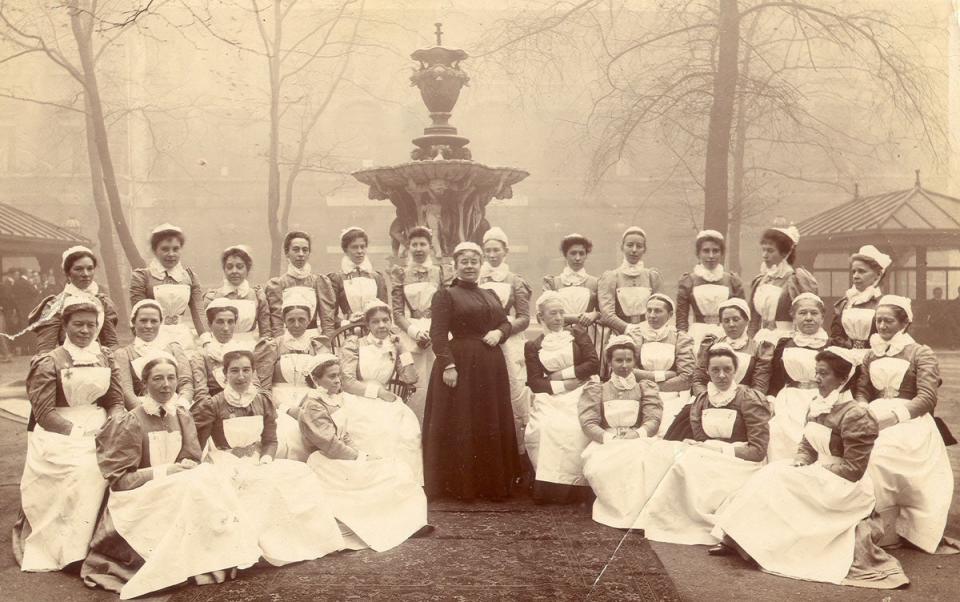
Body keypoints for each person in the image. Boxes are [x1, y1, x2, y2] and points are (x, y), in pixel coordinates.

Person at [713, 347, 909, 589]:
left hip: (846, 487)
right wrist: (800, 462)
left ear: (842, 379)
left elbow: (854, 469)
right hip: (819, 473)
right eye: (817, 372)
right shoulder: (817, 405)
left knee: (778, 479)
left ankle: (758, 545)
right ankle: (740, 540)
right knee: (773, 472)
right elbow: (807, 444)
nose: (817, 378)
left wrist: (813, 473)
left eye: (824, 374)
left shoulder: (857, 415)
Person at [80, 356, 262, 599]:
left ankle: (214, 557)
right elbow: (121, 481)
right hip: (138, 496)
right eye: (158, 379)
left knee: (208, 478)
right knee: (195, 487)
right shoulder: (129, 421)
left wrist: (187, 465)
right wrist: (167, 472)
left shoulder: (181, 416)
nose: (166, 385)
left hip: (174, 487)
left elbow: (192, 458)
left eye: (171, 378)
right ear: (144, 384)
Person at [190, 349, 345, 564]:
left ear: (254, 372)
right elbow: (196, 443)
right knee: (248, 485)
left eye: (246, 370)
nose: (241, 376)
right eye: (234, 371)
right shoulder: (213, 404)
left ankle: (309, 542)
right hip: (225, 461)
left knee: (299, 472)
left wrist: (266, 458)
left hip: (257, 459)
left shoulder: (262, 400)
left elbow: (271, 440)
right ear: (225, 374)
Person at [13, 299, 125, 572]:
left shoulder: (105, 357)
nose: (85, 331)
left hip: (101, 424)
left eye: (91, 325)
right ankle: (75, 549)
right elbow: (44, 414)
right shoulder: (49, 362)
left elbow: (116, 401)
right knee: (88, 470)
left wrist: (112, 423)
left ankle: (118, 543)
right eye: (78, 324)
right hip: (60, 432)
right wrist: (82, 433)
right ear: (64, 326)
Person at [633, 344, 770, 545]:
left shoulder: (748, 398)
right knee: (662, 452)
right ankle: (658, 517)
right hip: (709, 454)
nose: (722, 375)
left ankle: (688, 522)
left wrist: (719, 448)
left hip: (740, 460)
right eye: (715, 370)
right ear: (707, 371)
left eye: (727, 369)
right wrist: (698, 444)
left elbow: (758, 450)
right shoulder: (702, 399)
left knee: (687, 464)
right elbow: (701, 437)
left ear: (735, 370)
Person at [855, 295, 957, 553]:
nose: (882, 326)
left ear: (904, 323)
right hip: (874, 412)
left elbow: (926, 397)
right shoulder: (872, 353)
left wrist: (894, 416)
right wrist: (863, 408)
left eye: (888, 321)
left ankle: (898, 526)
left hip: (910, 419)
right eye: (878, 320)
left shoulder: (920, 352)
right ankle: (866, 524)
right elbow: (863, 390)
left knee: (880, 455)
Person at [300, 354, 428, 552]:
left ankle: (406, 522)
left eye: (338, 376)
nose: (337, 381)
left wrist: (362, 453)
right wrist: (360, 457)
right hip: (325, 461)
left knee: (396, 467)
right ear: (316, 380)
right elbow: (330, 444)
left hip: (342, 456)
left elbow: (345, 436)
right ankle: (385, 525)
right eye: (331, 377)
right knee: (382, 474)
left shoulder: (334, 399)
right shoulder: (313, 405)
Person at [422, 241, 519, 501]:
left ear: (480, 265)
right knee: (464, 420)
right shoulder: (446, 294)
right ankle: (461, 486)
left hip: (490, 368)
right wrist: (448, 366)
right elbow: (438, 334)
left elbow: (504, 322)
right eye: (463, 262)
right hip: (462, 365)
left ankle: (491, 485)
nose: (469, 266)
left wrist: (499, 332)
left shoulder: (490, 294)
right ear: (454, 266)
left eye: (473, 262)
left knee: (488, 419)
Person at [579, 335, 678, 528]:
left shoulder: (644, 387)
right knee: (604, 465)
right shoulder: (598, 389)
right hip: (607, 440)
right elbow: (588, 423)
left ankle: (640, 513)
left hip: (636, 438)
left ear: (635, 361)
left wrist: (638, 433)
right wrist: (608, 437)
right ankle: (618, 511)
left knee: (646, 462)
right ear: (609, 361)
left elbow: (653, 419)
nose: (624, 365)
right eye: (618, 360)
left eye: (629, 360)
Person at [523, 291, 599, 504]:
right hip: (552, 394)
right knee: (545, 428)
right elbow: (535, 381)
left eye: (561, 313)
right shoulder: (533, 345)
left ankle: (578, 489)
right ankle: (551, 488)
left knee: (576, 426)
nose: (558, 318)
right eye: (552, 313)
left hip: (582, 389)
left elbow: (593, 364)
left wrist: (564, 375)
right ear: (541, 318)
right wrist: (562, 384)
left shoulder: (578, 335)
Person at [338, 299, 423, 483]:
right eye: (375, 321)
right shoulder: (354, 344)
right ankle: (368, 480)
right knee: (372, 429)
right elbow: (347, 382)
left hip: (387, 399)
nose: (382, 325)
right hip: (357, 397)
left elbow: (411, 379)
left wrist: (402, 349)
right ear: (367, 324)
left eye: (385, 320)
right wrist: (378, 394)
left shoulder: (394, 345)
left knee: (405, 429)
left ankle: (397, 481)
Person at [479, 226, 533, 470]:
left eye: (496, 250)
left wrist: (503, 330)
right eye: (488, 250)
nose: (492, 255)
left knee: (514, 393)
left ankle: (519, 456)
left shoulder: (515, 280)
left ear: (505, 251)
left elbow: (524, 317)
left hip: (508, 340)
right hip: (482, 340)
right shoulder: (476, 279)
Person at [390, 226, 445, 423]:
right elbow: (397, 312)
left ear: (430, 247)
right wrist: (414, 332)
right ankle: (415, 429)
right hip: (410, 332)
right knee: (414, 382)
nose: (419, 248)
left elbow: (445, 307)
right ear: (408, 247)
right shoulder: (401, 274)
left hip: (435, 332)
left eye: (423, 244)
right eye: (414, 244)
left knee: (436, 381)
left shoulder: (440, 273)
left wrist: (432, 330)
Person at [766, 293, 830, 461]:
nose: (808, 318)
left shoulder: (832, 345)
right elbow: (776, 379)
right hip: (789, 400)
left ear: (822, 317)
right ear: (793, 316)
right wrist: (771, 400)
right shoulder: (784, 344)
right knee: (776, 431)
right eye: (802, 313)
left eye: (814, 313)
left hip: (822, 399)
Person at [129, 224, 207, 349]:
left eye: (176, 249)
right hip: (153, 336)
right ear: (155, 250)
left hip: (182, 336)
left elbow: (199, 312)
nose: (171, 254)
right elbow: (139, 314)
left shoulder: (190, 277)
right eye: (165, 249)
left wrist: (206, 340)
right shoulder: (142, 276)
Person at [628, 293, 695, 437]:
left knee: (666, 428)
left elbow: (686, 378)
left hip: (671, 395)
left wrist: (655, 386)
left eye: (658, 311)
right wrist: (663, 375)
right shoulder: (636, 336)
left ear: (670, 314)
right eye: (649, 310)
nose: (652, 315)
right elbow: (628, 371)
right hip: (641, 393)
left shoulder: (680, 338)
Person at [29, 246, 119, 354]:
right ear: (67, 273)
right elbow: (45, 350)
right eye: (78, 269)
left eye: (90, 268)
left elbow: (112, 343)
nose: (86, 274)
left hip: (99, 364)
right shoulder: (55, 305)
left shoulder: (103, 302)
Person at [114, 299, 194, 409]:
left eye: (154, 321)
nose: (148, 326)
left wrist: (181, 405)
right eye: (143, 321)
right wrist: (145, 413)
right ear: (133, 322)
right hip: (141, 410)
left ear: (160, 323)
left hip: (175, 407)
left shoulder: (174, 348)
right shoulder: (123, 354)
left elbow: (185, 383)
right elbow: (126, 390)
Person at [748, 224, 818, 346]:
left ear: (785, 252)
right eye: (763, 250)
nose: (764, 255)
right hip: (760, 338)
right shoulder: (761, 280)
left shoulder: (797, 280)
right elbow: (753, 318)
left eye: (770, 250)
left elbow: (808, 313)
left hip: (786, 340)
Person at [676, 230, 745, 349]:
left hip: (726, 334)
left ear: (722, 253)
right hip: (698, 333)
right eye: (706, 251)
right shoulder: (689, 281)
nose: (711, 256)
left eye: (716, 251)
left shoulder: (732, 280)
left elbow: (743, 314)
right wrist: (683, 341)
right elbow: (681, 317)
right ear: (698, 254)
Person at [263, 231, 336, 340]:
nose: (301, 254)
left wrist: (326, 342)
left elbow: (327, 319)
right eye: (296, 250)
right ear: (287, 252)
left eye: (305, 250)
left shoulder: (318, 282)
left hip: (313, 337)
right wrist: (280, 343)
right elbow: (277, 321)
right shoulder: (278, 284)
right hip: (286, 338)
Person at [692, 298, 771, 397]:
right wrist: (707, 400)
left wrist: (742, 402)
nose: (731, 324)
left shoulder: (759, 349)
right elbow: (699, 380)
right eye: (726, 321)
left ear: (747, 321)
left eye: (736, 319)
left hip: (745, 401)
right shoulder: (711, 345)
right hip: (710, 399)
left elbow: (760, 386)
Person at [598, 226, 663, 337]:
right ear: (622, 247)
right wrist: (626, 327)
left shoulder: (651, 276)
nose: (634, 250)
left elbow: (660, 308)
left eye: (639, 246)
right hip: (619, 333)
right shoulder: (612, 277)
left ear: (644, 249)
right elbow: (607, 313)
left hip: (648, 332)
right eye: (629, 245)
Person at [829, 245, 892, 360]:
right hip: (847, 358)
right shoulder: (845, 303)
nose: (856, 276)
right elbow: (836, 336)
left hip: (875, 359)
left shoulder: (885, 304)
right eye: (854, 272)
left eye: (862, 271)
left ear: (878, 275)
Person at [192, 298, 257, 404]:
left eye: (230, 322)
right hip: (215, 408)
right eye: (220, 322)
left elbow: (255, 384)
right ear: (209, 324)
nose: (226, 328)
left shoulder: (244, 351)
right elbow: (201, 393)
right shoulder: (201, 355)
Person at [203, 245, 270, 345]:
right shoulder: (212, 297)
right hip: (220, 348)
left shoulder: (257, 296)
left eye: (239, 267)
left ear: (247, 269)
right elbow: (206, 331)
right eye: (229, 267)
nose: (234, 271)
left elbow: (265, 333)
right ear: (224, 269)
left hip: (249, 348)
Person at [327, 226, 389, 328]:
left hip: (375, 331)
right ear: (345, 249)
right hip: (348, 331)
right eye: (354, 247)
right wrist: (347, 323)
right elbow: (330, 316)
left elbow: (384, 310)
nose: (360, 251)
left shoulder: (377, 277)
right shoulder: (337, 278)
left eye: (362, 246)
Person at [541, 233, 600, 330]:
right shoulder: (553, 283)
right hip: (559, 334)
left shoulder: (595, 283)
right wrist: (577, 318)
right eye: (573, 253)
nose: (577, 258)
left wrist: (594, 314)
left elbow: (603, 313)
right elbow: (546, 313)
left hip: (587, 335)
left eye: (581, 253)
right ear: (565, 255)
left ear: (586, 256)